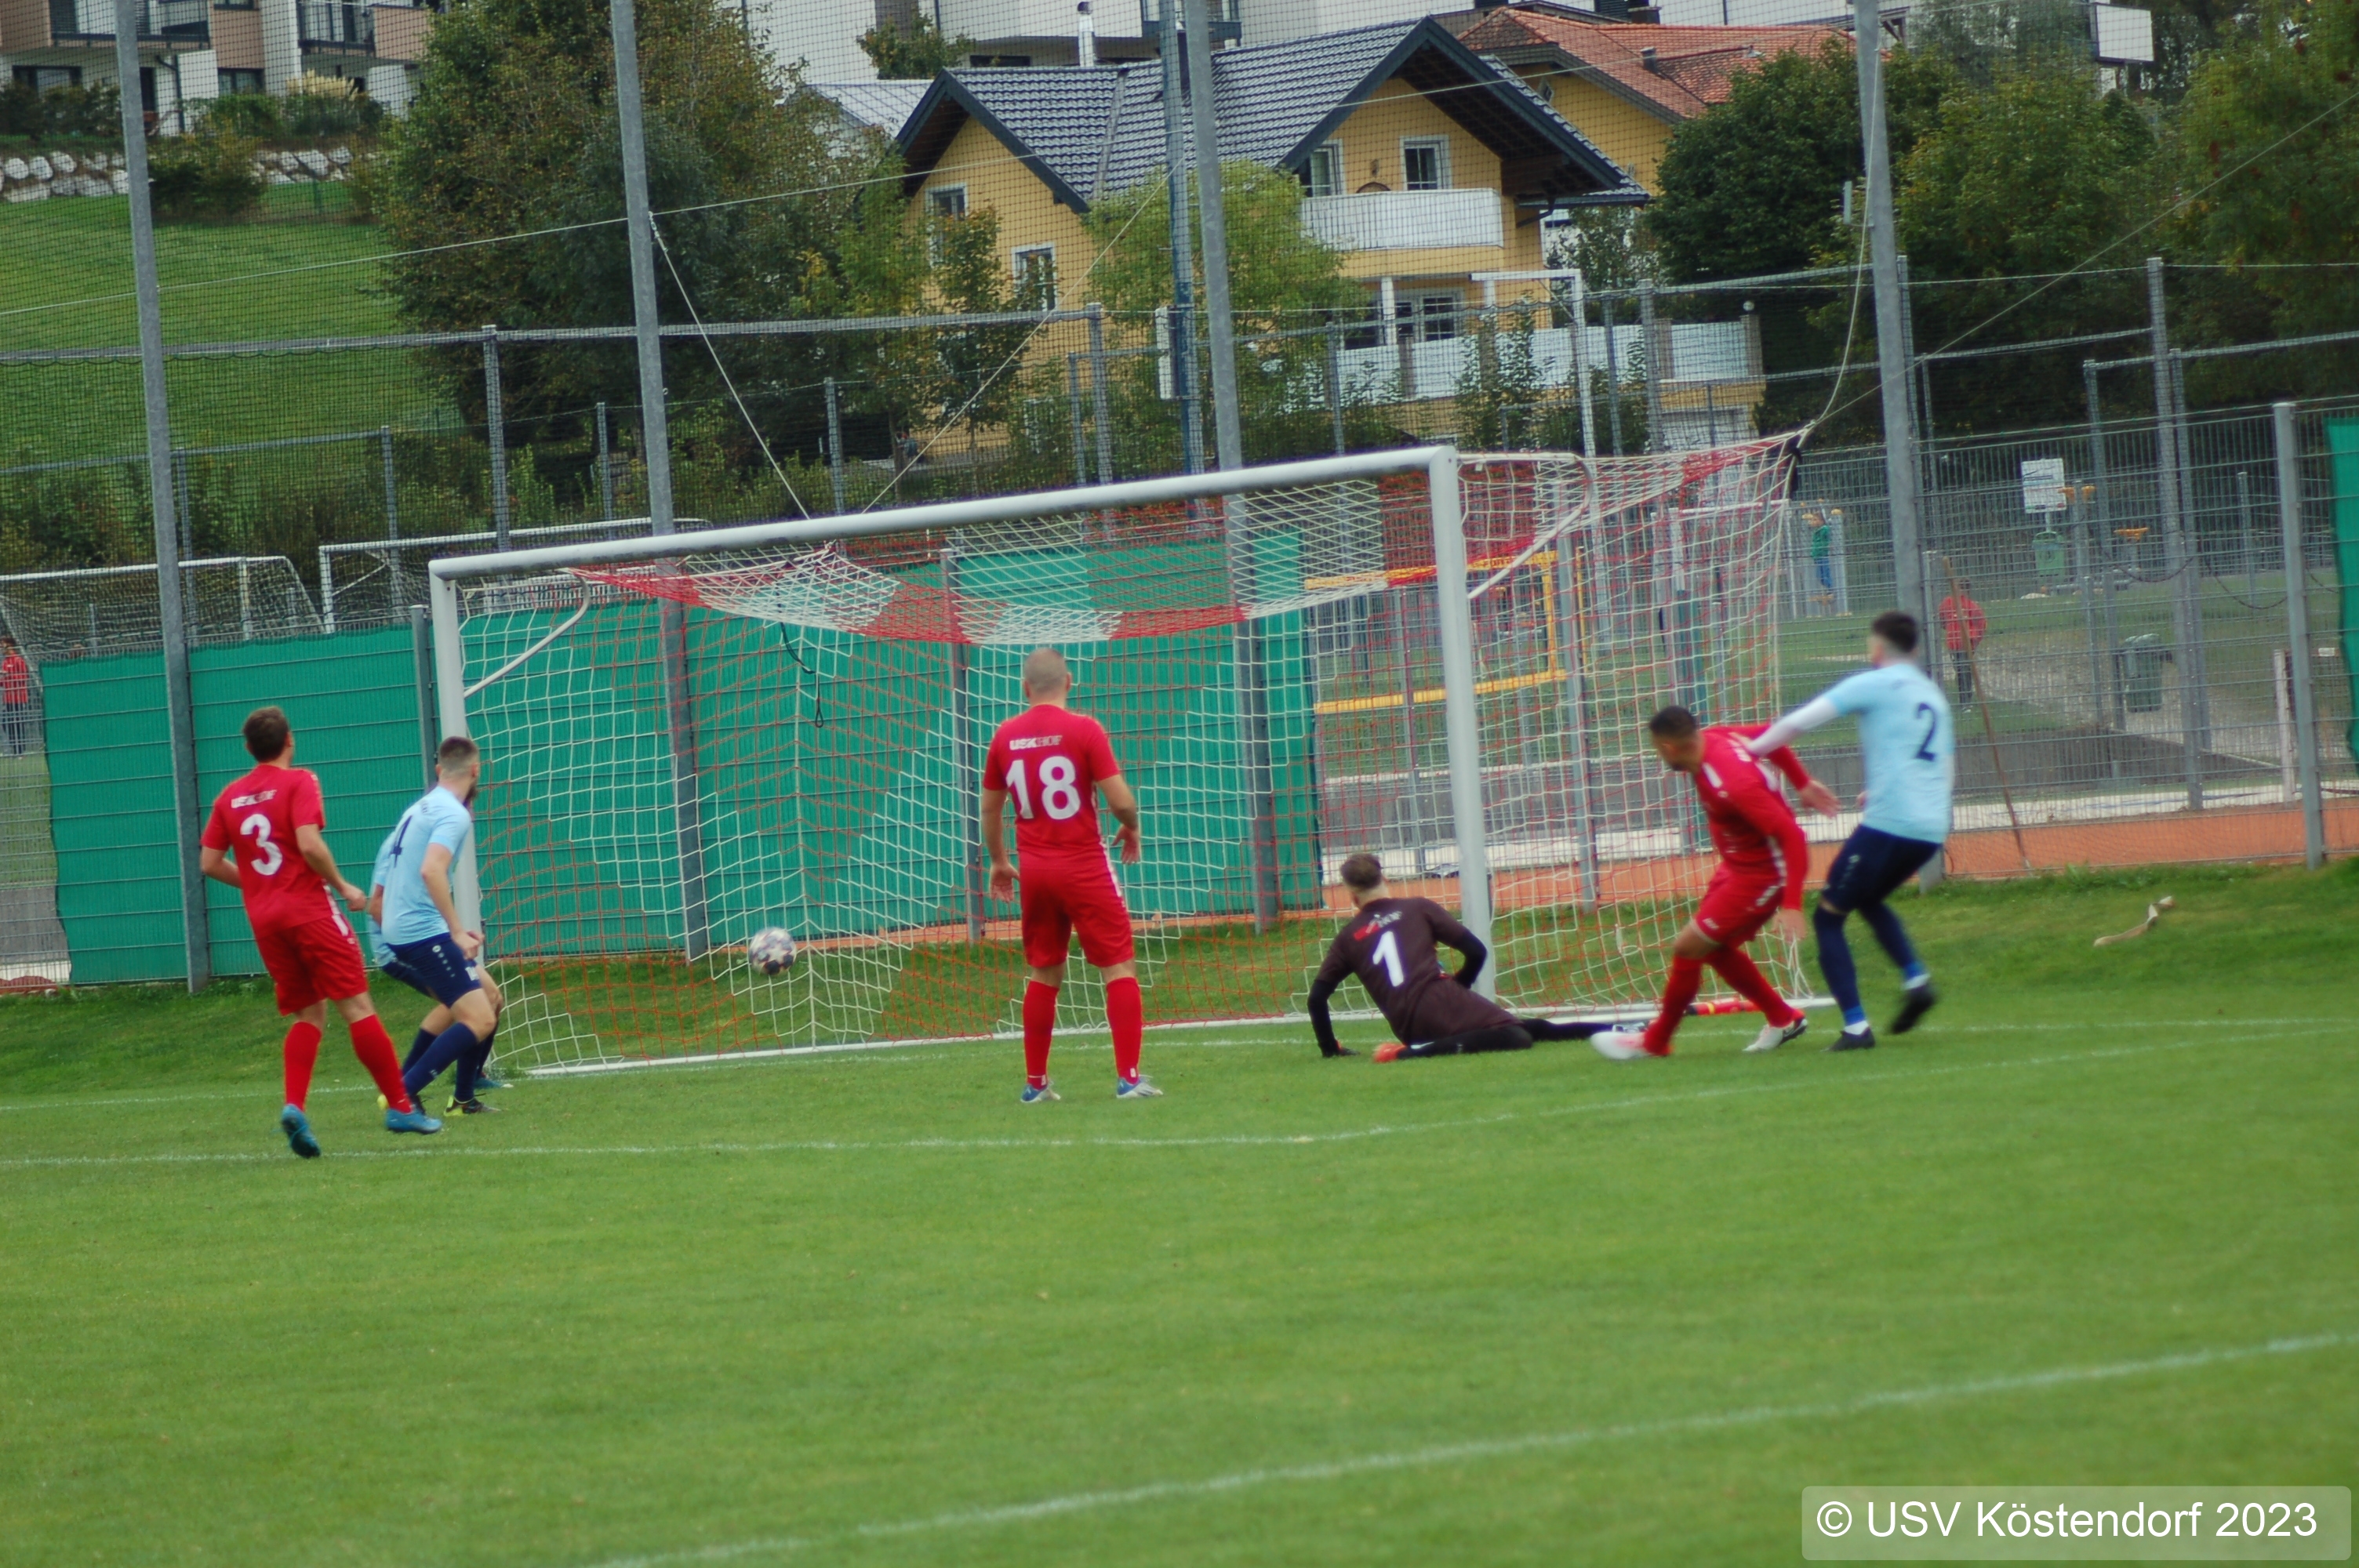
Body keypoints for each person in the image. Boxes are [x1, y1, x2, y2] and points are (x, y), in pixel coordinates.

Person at [198, 705, 437, 1156]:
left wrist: (259, 883)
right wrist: (344, 886)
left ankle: (295, 1106)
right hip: (309, 911)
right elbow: (309, 844)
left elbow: (209, 862)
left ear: (248, 748)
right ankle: (401, 1107)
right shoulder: (300, 781)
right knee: (357, 1007)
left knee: (309, 1015)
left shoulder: (228, 797)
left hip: (265, 920)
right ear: (290, 740)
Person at [1740, 610, 1954, 1051]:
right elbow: (1943, 766)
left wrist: (1752, 751)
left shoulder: (1873, 682)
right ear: (1915, 649)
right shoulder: (1933, 694)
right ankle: (1916, 981)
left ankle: (1856, 1028)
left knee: (1828, 916)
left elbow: (1800, 721)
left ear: (1876, 648)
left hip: (1889, 825)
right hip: (1931, 828)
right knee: (1867, 899)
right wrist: (1882, 792)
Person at [1592, 706, 1839, 1062]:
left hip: (1763, 875)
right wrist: (1801, 782)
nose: (1659, 756)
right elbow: (1773, 735)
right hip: (1738, 867)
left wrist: (1791, 905)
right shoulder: (1718, 736)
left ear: (1669, 747)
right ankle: (1783, 1017)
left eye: (1657, 749)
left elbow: (1792, 837)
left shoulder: (1733, 783)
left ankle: (1655, 1042)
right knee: (1709, 947)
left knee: (1688, 947)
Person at [982, 646, 1154, 1103]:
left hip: (1036, 872)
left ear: (1025, 688)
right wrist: (1131, 826)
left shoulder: (1005, 736)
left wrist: (999, 861)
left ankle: (1035, 1084)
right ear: (1069, 682)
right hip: (1084, 865)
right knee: (1118, 965)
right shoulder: (1084, 729)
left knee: (1044, 972)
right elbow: (1120, 801)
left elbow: (990, 808)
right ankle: (1129, 1078)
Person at [1307, 854, 1608, 1062]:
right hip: (1439, 1000)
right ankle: (1409, 1053)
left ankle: (1621, 1028)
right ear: (1384, 878)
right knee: (1515, 1035)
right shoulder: (1417, 908)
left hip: (1408, 1024)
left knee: (1533, 1028)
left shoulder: (1348, 937)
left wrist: (1329, 1048)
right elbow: (1476, 951)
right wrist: (1459, 985)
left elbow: (1316, 998)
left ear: (1351, 895)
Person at [368, 750, 507, 1115]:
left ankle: (462, 1098)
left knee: (488, 1000)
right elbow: (430, 871)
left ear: (439, 769)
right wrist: (456, 932)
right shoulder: (452, 813)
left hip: (416, 930)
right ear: (476, 770)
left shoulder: (419, 810)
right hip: (417, 934)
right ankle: (402, 1094)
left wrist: (451, 930)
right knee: (477, 1017)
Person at [1937, 580, 1987, 704]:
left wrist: (1949, 628)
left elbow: (1941, 619)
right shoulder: (1972, 606)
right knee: (1965, 670)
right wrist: (1976, 639)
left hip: (1955, 642)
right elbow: (1981, 624)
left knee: (1961, 670)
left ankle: (1964, 699)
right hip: (1966, 642)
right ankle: (1966, 699)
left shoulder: (1948, 603)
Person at [1, 638, 31, 757]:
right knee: (6, 722)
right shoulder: (5, 662)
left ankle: (20, 751)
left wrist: (8, 675)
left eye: (3, 645)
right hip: (8, 699)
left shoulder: (18, 660)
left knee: (18, 723)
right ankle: (15, 748)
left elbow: (24, 677)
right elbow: (4, 682)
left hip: (18, 698)